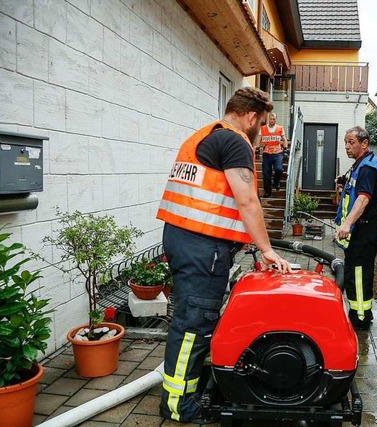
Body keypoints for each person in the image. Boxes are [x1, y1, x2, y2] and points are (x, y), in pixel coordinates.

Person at [156, 87, 292, 423]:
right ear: (250, 117)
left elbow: (215, 202)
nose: (261, 131)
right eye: (260, 124)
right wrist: (266, 249)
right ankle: (178, 404)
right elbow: (247, 201)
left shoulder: (204, 135)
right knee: (194, 324)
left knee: (194, 319)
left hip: (184, 239)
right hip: (202, 249)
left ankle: (186, 384)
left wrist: (241, 242)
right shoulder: (234, 141)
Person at [334, 126, 377, 330]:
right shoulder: (363, 164)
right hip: (363, 230)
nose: (347, 147)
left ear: (364, 143)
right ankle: (358, 312)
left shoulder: (367, 168)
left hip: (364, 230)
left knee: (358, 273)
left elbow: (363, 199)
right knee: (354, 270)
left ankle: (360, 317)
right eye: (346, 142)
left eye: (351, 142)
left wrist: (347, 224)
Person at [256, 112, 289, 197]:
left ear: (275, 120)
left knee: (279, 169)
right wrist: (257, 150)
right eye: (271, 119)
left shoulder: (280, 128)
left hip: (277, 152)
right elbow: (258, 139)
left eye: (274, 119)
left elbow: (284, 139)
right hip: (267, 153)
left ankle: (276, 181)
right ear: (268, 119)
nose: (272, 120)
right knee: (266, 174)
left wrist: (285, 150)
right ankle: (268, 192)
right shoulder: (263, 128)